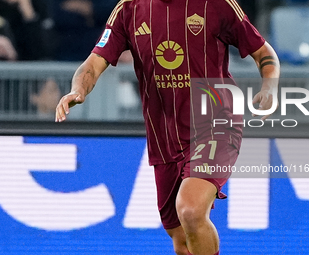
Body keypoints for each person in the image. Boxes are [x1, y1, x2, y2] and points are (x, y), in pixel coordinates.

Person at [55, 0, 280, 254]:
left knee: (191, 210)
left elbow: (263, 52)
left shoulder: (216, 4)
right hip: (164, 137)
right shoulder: (129, 8)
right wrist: (78, 90)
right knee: (180, 237)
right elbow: (94, 63)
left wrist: (269, 87)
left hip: (216, 121)